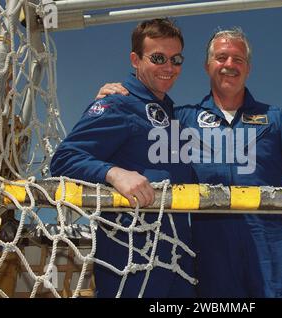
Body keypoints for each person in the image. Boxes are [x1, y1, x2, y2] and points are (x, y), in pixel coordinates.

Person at [97, 28, 282, 298]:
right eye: (221, 57)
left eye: (238, 58)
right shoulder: (181, 119)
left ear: (248, 68)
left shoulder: (274, 119)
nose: (229, 64)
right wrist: (116, 97)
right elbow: (139, 126)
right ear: (207, 65)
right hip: (210, 251)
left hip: (271, 250)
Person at [50, 18, 197, 298]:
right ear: (135, 59)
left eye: (176, 59)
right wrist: (114, 173)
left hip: (178, 263)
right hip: (131, 262)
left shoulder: (175, 118)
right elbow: (64, 159)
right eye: (158, 58)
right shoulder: (117, 102)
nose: (169, 67)